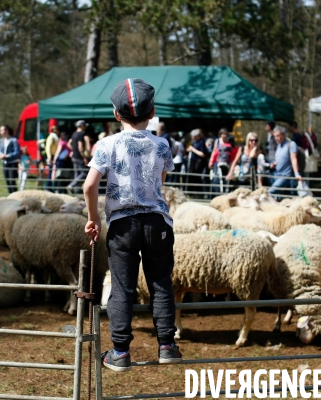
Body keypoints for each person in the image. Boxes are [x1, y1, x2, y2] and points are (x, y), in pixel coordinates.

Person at [83, 78, 181, 372]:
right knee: (160, 283)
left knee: (123, 287)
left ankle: (120, 352)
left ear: (116, 115)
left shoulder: (106, 145)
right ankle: (167, 346)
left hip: (122, 225)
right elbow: (160, 181)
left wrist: (94, 218)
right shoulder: (161, 144)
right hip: (157, 223)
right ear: (152, 113)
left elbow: (90, 186)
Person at [268, 126, 302, 200]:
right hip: (276, 174)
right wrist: (274, 163)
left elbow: (294, 159)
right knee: (277, 197)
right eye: (275, 136)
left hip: (285, 175)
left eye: (278, 136)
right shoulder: (279, 145)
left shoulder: (291, 144)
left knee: (270, 191)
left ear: (284, 135)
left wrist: (297, 173)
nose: (276, 138)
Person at [208, 128, 238, 192]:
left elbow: (232, 152)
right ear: (220, 135)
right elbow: (214, 151)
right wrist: (211, 161)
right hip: (217, 162)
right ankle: (215, 192)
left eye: (226, 134)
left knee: (225, 178)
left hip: (227, 162)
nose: (224, 136)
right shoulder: (217, 141)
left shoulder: (229, 142)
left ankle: (225, 191)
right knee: (216, 177)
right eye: (223, 134)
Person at [67, 120, 89, 193]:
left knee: (77, 174)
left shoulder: (74, 134)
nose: (85, 127)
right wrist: (84, 158)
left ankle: (77, 190)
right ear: (82, 125)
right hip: (79, 157)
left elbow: (69, 143)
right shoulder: (81, 134)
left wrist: (74, 150)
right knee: (84, 173)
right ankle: (71, 185)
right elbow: (80, 147)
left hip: (74, 156)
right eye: (84, 125)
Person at [185, 129, 209, 196]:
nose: (192, 138)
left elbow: (202, 154)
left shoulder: (202, 142)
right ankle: (191, 193)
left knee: (197, 178)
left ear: (197, 136)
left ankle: (199, 194)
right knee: (191, 177)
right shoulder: (194, 142)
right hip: (193, 162)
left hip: (199, 163)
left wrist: (193, 149)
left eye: (193, 136)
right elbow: (189, 149)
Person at [0, 124, 20, 194]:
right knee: (7, 181)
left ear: (6, 131)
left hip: (12, 163)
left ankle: (15, 195)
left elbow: (17, 152)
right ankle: (10, 195)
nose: (1, 132)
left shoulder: (13, 140)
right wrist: (0, 155)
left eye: (2, 130)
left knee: (11, 181)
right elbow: (0, 150)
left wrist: (8, 156)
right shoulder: (1, 140)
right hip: (5, 163)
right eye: (0, 130)